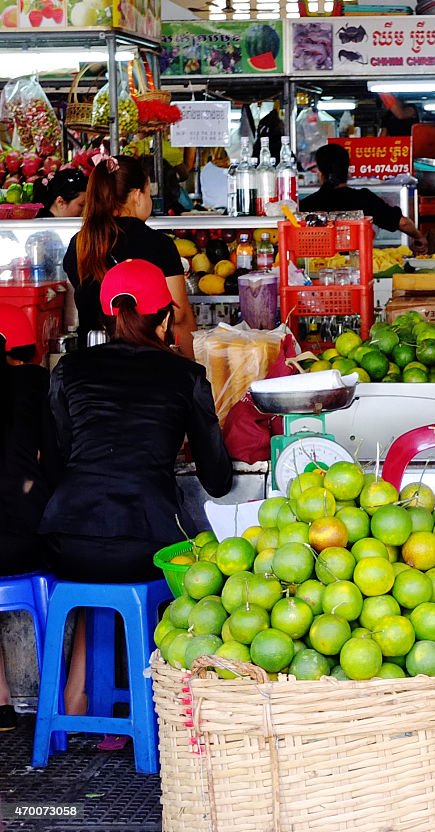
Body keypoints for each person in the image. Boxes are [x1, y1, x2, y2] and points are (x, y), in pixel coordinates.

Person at [40, 260, 232, 716]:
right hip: (143, 540)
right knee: (184, 569)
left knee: (98, 575)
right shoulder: (184, 375)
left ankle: (77, 699)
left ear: (110, 315)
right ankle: (159, 709)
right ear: (164, 318)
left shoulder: (69, 369)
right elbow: (218, 481)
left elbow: (62, 454)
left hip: (67, 540)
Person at [62, 155, 197, 359]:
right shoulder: (158, 243)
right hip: (148, 361)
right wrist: (194, 368)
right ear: (136, 195)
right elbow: (179, 317)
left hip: (92, 361)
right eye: (148, 193)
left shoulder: (80, 243)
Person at [0, 304, 58, 731]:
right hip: (30, 542)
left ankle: (2, 696)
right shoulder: (39, 383)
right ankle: (48, 698)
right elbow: (56, 458)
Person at [300, 144, 428, 254]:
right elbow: (403, 223)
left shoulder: (307, 204)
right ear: (347, 170)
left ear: (320, 172)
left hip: (318, 267)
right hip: (358, 267)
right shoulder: (363, 198)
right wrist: (419, 237)